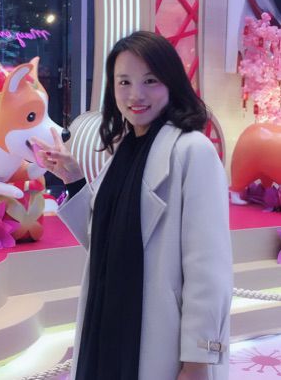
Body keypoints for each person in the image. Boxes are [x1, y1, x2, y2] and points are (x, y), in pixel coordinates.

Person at [32, 31, 232, 380]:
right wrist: (74, 179)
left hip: (155, 330)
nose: (135, 95)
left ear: (171, 83)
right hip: (108, 320)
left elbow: (208, 266)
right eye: (124, 82)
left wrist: (198, 360)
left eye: (150, 81)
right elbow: (104, 238)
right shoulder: (124, 150)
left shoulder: (191, 151)